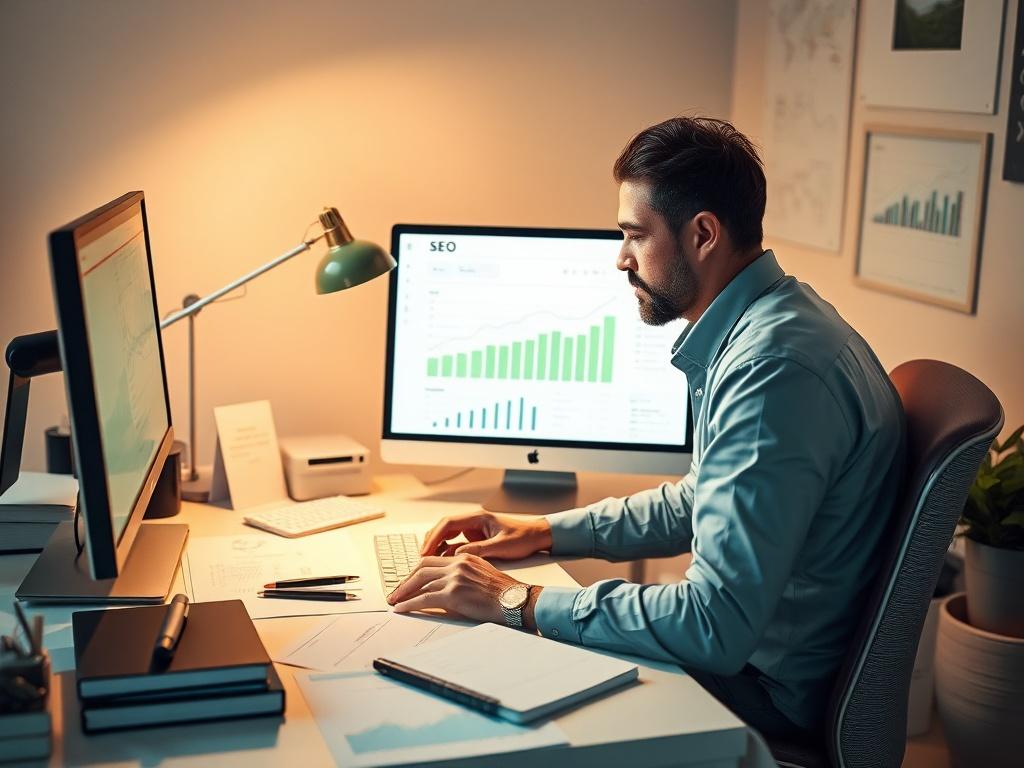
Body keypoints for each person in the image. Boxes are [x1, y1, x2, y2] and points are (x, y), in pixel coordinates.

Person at [386, 116, 905, 739]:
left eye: (635, 234)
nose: (621, 258)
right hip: (756, 660)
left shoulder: (771, 372)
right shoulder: (781, 320)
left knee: (461, 713)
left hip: (761, 691)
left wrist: (513, 600)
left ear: (703, 234)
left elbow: (713, 624)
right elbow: (703, 498)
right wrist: (545, 532)